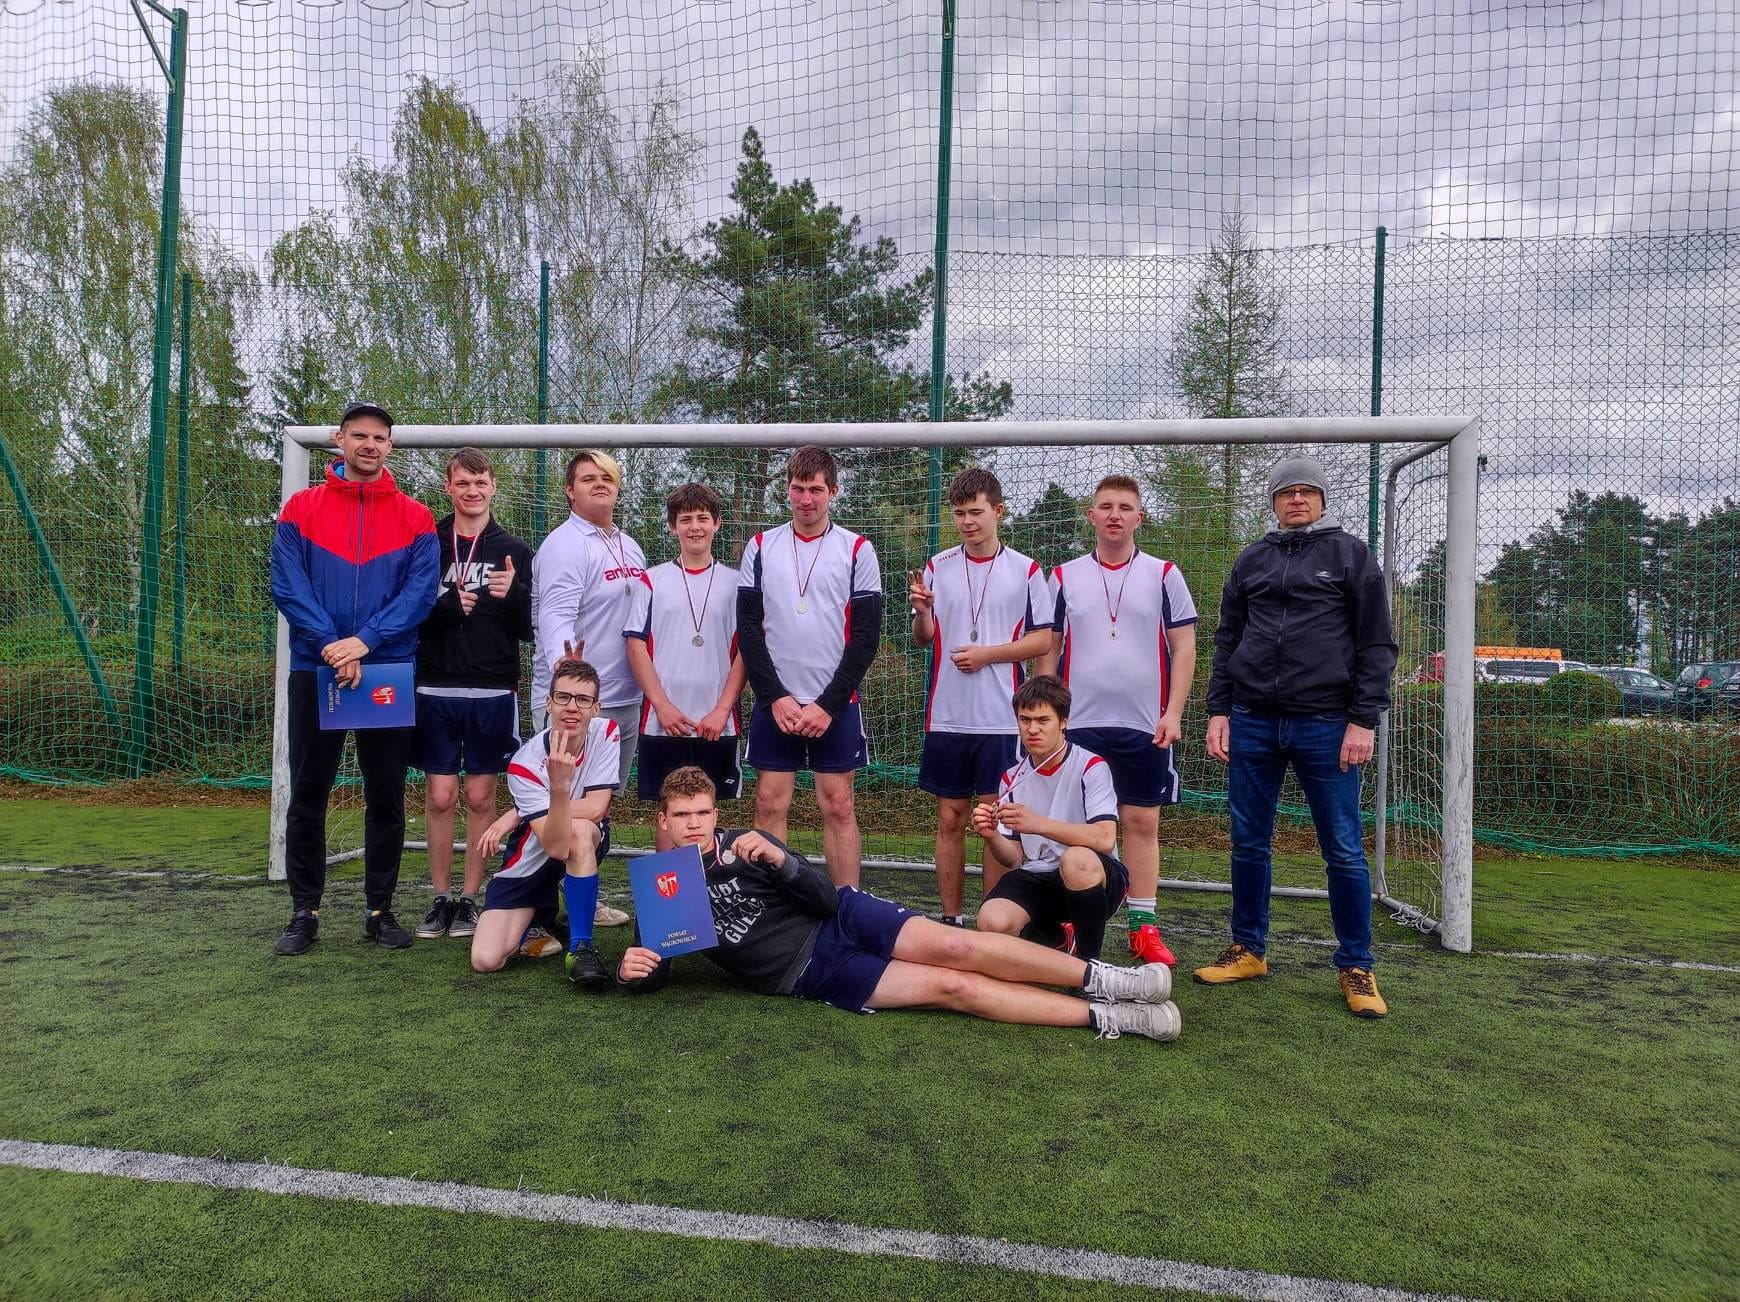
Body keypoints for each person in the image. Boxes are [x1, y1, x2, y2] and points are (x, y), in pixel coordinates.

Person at [615, 767, 1182, 1042]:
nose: (694, 824)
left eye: (703, 813)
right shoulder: (664, 886)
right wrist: (633, 971)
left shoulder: (747, 843)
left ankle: (1109, 978)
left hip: (843, 915)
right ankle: (1113, 1017)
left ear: (716, 813)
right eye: (682, 815)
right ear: (662, 820)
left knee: (959, 946)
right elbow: (655, 970)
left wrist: (781, 860)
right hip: (807, 970)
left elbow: (821, 897)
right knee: (952, 987)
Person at [1196, 455, 1398, 1017]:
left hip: (1327, 724)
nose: (1297, 500)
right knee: (1248, 841)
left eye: (1307, 491)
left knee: (1343, 848)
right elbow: (1227, 639)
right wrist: (1219, 711)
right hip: (1252, 720)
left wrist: (1363, 720)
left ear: (1322, 500)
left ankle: (1357, 966)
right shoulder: (1252, 559)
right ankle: (1248, 949)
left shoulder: (1351, 556)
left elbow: (1377, 645)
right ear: (1274, 502)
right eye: (1287, 492)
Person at [268, 401, 438, 956]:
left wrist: (364, 641)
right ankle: (304, 912)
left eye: (379, 437)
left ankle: (379, 911)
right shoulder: (300, 509)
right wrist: (331, 645)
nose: (369, 444)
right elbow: (288, 585)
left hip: (386, 669)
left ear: (390, 445)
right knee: (308, 792)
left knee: (386, 794)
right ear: (339, 440)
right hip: (315, 667)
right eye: (359, 435)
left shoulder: (416, 517)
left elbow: (419, 594)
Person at [1040, 475, 1197, 967]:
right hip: (1079, 725)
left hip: (1145, 725)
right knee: (1075, 827)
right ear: (1091, 516)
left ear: (1138, 518)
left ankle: (1142, 928)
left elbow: (1184, 647)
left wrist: (1174, 713)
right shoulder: (1063, 576)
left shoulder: (1164, 573)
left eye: (1125, 507)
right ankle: (1071, 921)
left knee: (1141, 822)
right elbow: (1049, 650)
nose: (1114, 515)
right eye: (1105, 506)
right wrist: (1049, 717)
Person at [909, 467, 1053, 925]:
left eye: (975, 512)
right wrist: (923, 612)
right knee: (950, 818)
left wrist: (988, 654)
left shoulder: (1026, 570)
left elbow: (1042, 640)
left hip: (1001, 719)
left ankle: (991, 922)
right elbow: (924, 638)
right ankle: (951, 920)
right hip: (947, 716)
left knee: (994, 823)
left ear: (998, 511)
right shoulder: (938, 565)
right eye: (959, 514)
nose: (967, 522)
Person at [736, 445, 882, 887]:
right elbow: (748, 630)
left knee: (838, 804)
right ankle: (773, 905)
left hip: (834, 703)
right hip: (776, 702)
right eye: (798, 489)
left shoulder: (857, 549)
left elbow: (865, 638)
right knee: (769, 803)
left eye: (816, 490)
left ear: (833, 491)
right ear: (787, 489)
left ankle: (847, 904)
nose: (806, 499)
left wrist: (828, 705)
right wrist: (774, 697)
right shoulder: (761, 546)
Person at [411, 448, 534, 941]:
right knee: (441, 796)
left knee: (481, 796)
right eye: (462, 482)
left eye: (480, 482)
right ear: (448, 487)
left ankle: (469, 899)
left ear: (493, 487)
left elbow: (528, 629)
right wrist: (443, 607)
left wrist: (514, 596)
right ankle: (440, 897)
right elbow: (406, 613)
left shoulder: (514, 549)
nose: (472, 491)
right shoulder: (427, 543)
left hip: (492, 688)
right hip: (434, 683)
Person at [530, 449, 644, 928]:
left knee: (597, 808)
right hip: (578, 705)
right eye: (588, 478)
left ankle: (581, 892)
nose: (600, 484)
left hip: (624, 699)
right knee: (559, 808)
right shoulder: (565, 544)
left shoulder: (628, 545)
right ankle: (536, 914)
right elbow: (554, 613)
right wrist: (567, 674)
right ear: (569, 491)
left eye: (607, 478)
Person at [468, 658, 621, 987]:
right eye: (563, 697)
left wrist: (518, 813)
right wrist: (559, 787)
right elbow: (554, 846)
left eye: (583, 699)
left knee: (580, 831)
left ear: (596, 708)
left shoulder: (607, 731)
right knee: (486, 959)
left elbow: (596, 808)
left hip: (579, 838)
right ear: (549, 703)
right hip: (536, 852)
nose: (572, 707)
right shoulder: (524, 764)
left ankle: (581, 949)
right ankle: (540, 918)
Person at [624, 482, 748, 851]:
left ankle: (710, 887)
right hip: (663, 722)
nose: (695, 527)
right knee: (669, 814)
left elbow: (746, 651)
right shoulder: (651, 580)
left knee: (708, 815)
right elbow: (636, 645)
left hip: (717, 723)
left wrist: (722, 709)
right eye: (686, 519)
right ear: (672, 526)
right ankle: (671, 890)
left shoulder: (737, 583)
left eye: (702, 518)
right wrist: (662, 706)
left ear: (717, 523)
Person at [971, 676, 1129, 963]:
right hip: (1040, 874)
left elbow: (1105, 839)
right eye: (1025, 719)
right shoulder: (1011, 778)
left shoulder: (1091, 766)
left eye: (1043, 720)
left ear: (1063, 722)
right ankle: (1056, 938)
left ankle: (1088, 965)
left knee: (1076, 860)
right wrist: (991, 835)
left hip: (1096, 877)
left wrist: (1038, 824)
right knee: (993, 922)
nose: (1032, 729)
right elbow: (1012, 858)